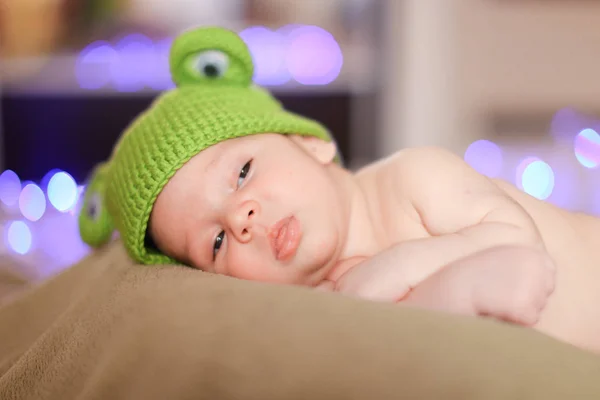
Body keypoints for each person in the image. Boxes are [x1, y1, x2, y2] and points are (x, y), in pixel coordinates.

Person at [78, 26, 600, 353]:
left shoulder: (411, 179)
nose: (242, 216)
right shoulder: (327, 303)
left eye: (241, 173)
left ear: (309, 144)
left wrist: (393, 268)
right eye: (215, 243)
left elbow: (518, 245)